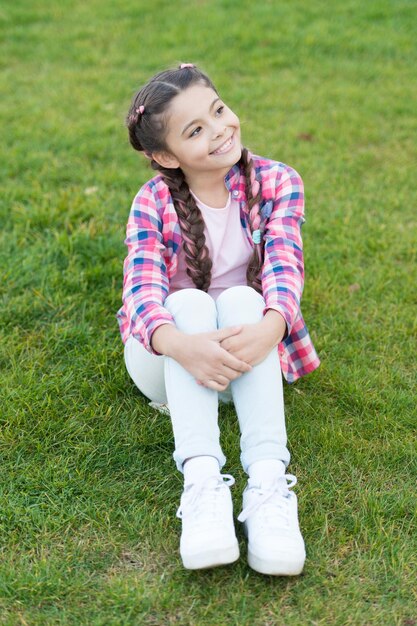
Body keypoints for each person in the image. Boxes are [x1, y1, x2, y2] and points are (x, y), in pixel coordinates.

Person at [117, 63, 320, 576]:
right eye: (195, 130)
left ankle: (268, 485)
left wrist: (271, 329)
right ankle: (203, 484)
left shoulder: (276, 181)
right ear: (165, 156)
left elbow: (284, 266)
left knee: (246, 301)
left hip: (250, 355)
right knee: (186, 305)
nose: (220, 130)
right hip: (168, 366)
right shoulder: (152, 201)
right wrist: (183, 346)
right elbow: (141, 292)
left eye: (219, 111)